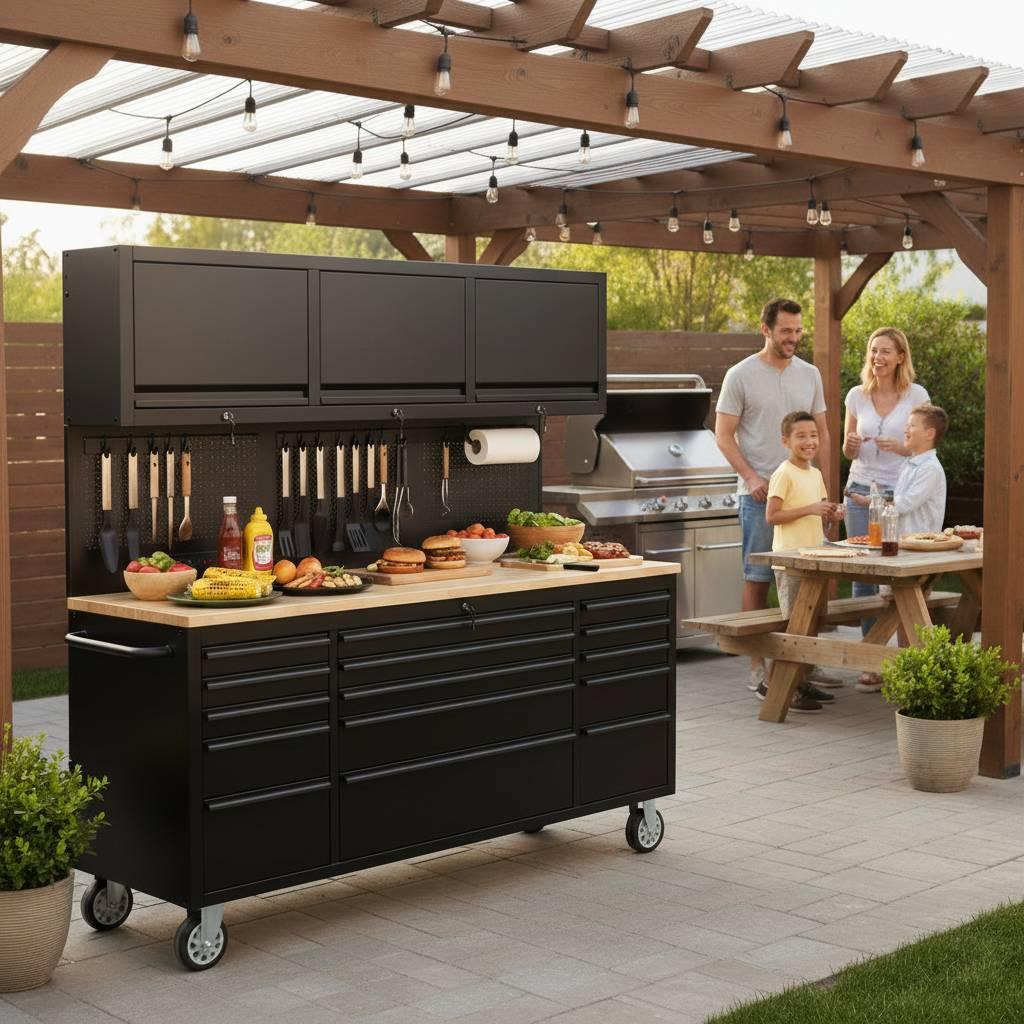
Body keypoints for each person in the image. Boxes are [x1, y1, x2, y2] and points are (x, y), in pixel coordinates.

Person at [716, 297, 837, 695]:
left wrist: (826, 489)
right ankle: (758, 667)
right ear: (765, 329)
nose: (794, 338)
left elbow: (822, 433)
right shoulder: (740, 375)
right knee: (758, 579)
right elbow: (723, 434)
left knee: (809, 582)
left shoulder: (810, 374)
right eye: (786, 330)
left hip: (806, 499)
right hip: (761, 497)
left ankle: (804, 663)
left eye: (798, 330)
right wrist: (750, 477)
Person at [842, 328, 929, 661]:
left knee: (899, 571)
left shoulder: (916, 395)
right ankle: (870, 657)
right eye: (874, 351)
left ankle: (905, 656)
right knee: (863, 572)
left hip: (899, 492)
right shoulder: (856, 396)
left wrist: (902, 447)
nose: (877, 357)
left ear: (900, 357)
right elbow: (848, 450)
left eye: (885, 352)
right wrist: (849, 445)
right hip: (860, 490)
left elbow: (923, 446)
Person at [857, 403, 948, 693]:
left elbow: (905, 504)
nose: (905, 429)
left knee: (907, 610)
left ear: (930, 433)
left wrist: (872, 502)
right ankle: (903, 671)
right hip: (900, 547)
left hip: (917, 552)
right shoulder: (911, 462)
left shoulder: (930, 468)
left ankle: (912, 673)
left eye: (912, 425)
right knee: (896, 608)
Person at [764, 412, 846, 713]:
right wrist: (810, 508)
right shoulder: (784, 473)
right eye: (801, 436)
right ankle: (777, 686)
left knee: (812, 624)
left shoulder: (814, 474)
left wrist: (830, 514)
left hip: (814, 559)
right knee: (795, 626)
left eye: (813, 435)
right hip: (791, 561)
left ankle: (803, 680)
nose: (809, 441)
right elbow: (772, 516)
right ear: (786, 441)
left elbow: (818, 516)